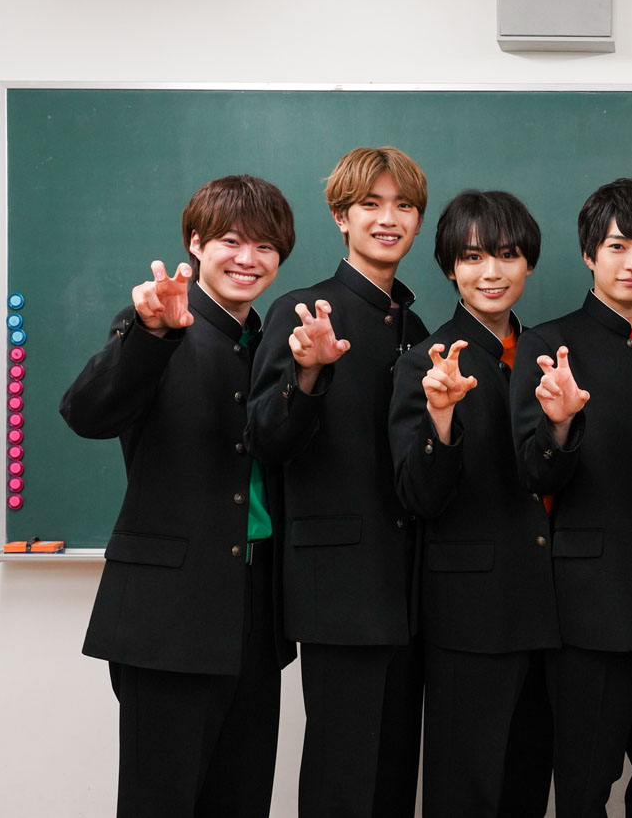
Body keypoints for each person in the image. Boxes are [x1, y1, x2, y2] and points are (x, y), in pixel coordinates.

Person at [62, 174, 297, 817]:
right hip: (168, 617)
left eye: (266, 246)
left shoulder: (274, 346)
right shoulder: (157, 327)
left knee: (241, 799)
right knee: (159, 802)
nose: (248, 259)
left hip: (256, 612)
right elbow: (85, 413)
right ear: (196, 243)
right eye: (231, 241)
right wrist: (149, 334)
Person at [246, 146, 430, 816]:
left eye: (403, 206)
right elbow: (265, 439)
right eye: (370, 204)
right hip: (337, 587)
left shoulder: (415, 326)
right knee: (341, 782)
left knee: (391, 782)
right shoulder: (300, 311)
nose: (388, 219)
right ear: (340, 217)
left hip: (410, 590)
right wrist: (306, 374)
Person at [510, 177, 632, 818]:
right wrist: (560, 426)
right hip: (591, 604)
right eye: (618, 246)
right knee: (584, 785)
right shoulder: (547, 345)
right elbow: (534, 475)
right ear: (589, 253)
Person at [388, 189, 557, 816]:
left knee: (527, 787)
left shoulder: (550, 356)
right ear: (450, 267)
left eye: (508, 255)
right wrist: (440, 418)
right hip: (468, 614)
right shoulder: (426, 362)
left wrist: (564, 427)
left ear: (528, 262)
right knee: (466, 790)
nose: (492, 272)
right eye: (473, 257)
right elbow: (418, 496)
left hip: (552, 611)